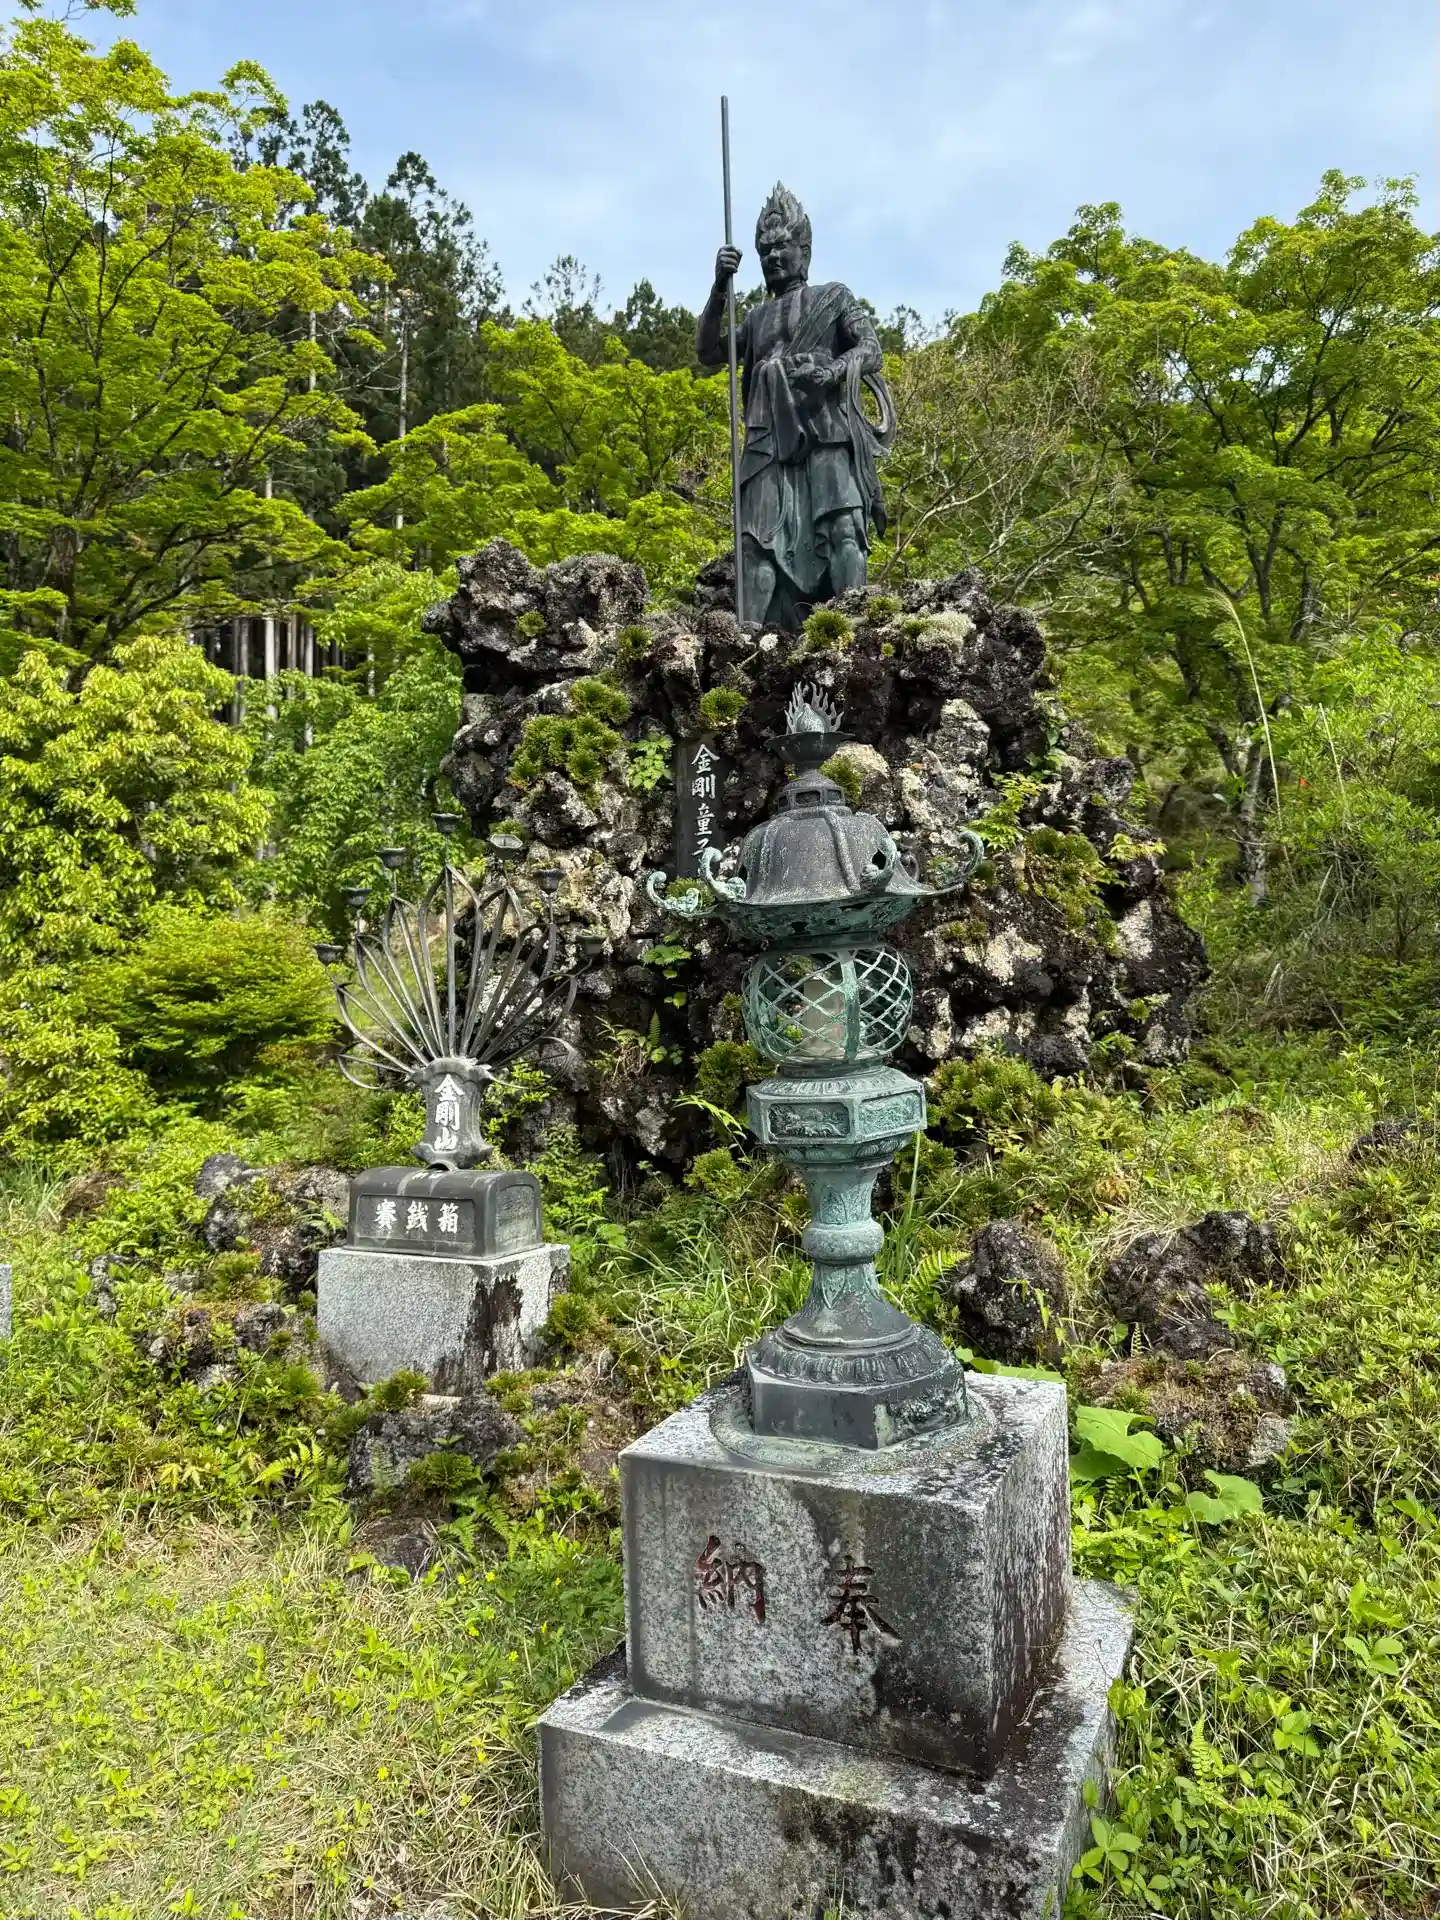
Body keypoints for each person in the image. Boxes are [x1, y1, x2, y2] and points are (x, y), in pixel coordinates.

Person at [697, 183, 895, 630]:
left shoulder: (834, 297)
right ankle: (750, 640)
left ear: (804, 250)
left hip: (827, 431)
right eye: (764, 251)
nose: (772, 257)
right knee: (755, 543)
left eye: (780, 247)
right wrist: (719, 288)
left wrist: (831, 371)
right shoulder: (755, 318)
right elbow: (708, 350)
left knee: (843, 529)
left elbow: (871, 349)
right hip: (768, 440)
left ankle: (852, 634)